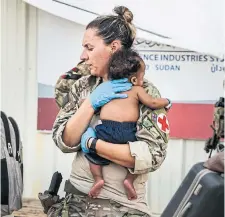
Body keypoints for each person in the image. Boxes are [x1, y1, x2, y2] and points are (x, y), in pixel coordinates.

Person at [49, 6, 170, 217]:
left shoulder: (146, 92)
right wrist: (90, 104)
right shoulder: (83, 86)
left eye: (89, 47)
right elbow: (65, 141)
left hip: (124, 207)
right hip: (77, 203)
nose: (83, 55)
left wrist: (93, 144)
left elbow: (152, 156)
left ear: (113, 47)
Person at [83, 48, 171, 200]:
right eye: (142, 76)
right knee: (139, 158)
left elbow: (94, 107)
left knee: (90, 154)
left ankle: (98, 178)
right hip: (128, 132)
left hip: (105, 130)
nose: (143, 80)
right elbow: (153, 102)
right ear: (135, 79)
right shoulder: (137, 89)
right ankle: (129, 180)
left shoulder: (106, 89)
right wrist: (167, 102)